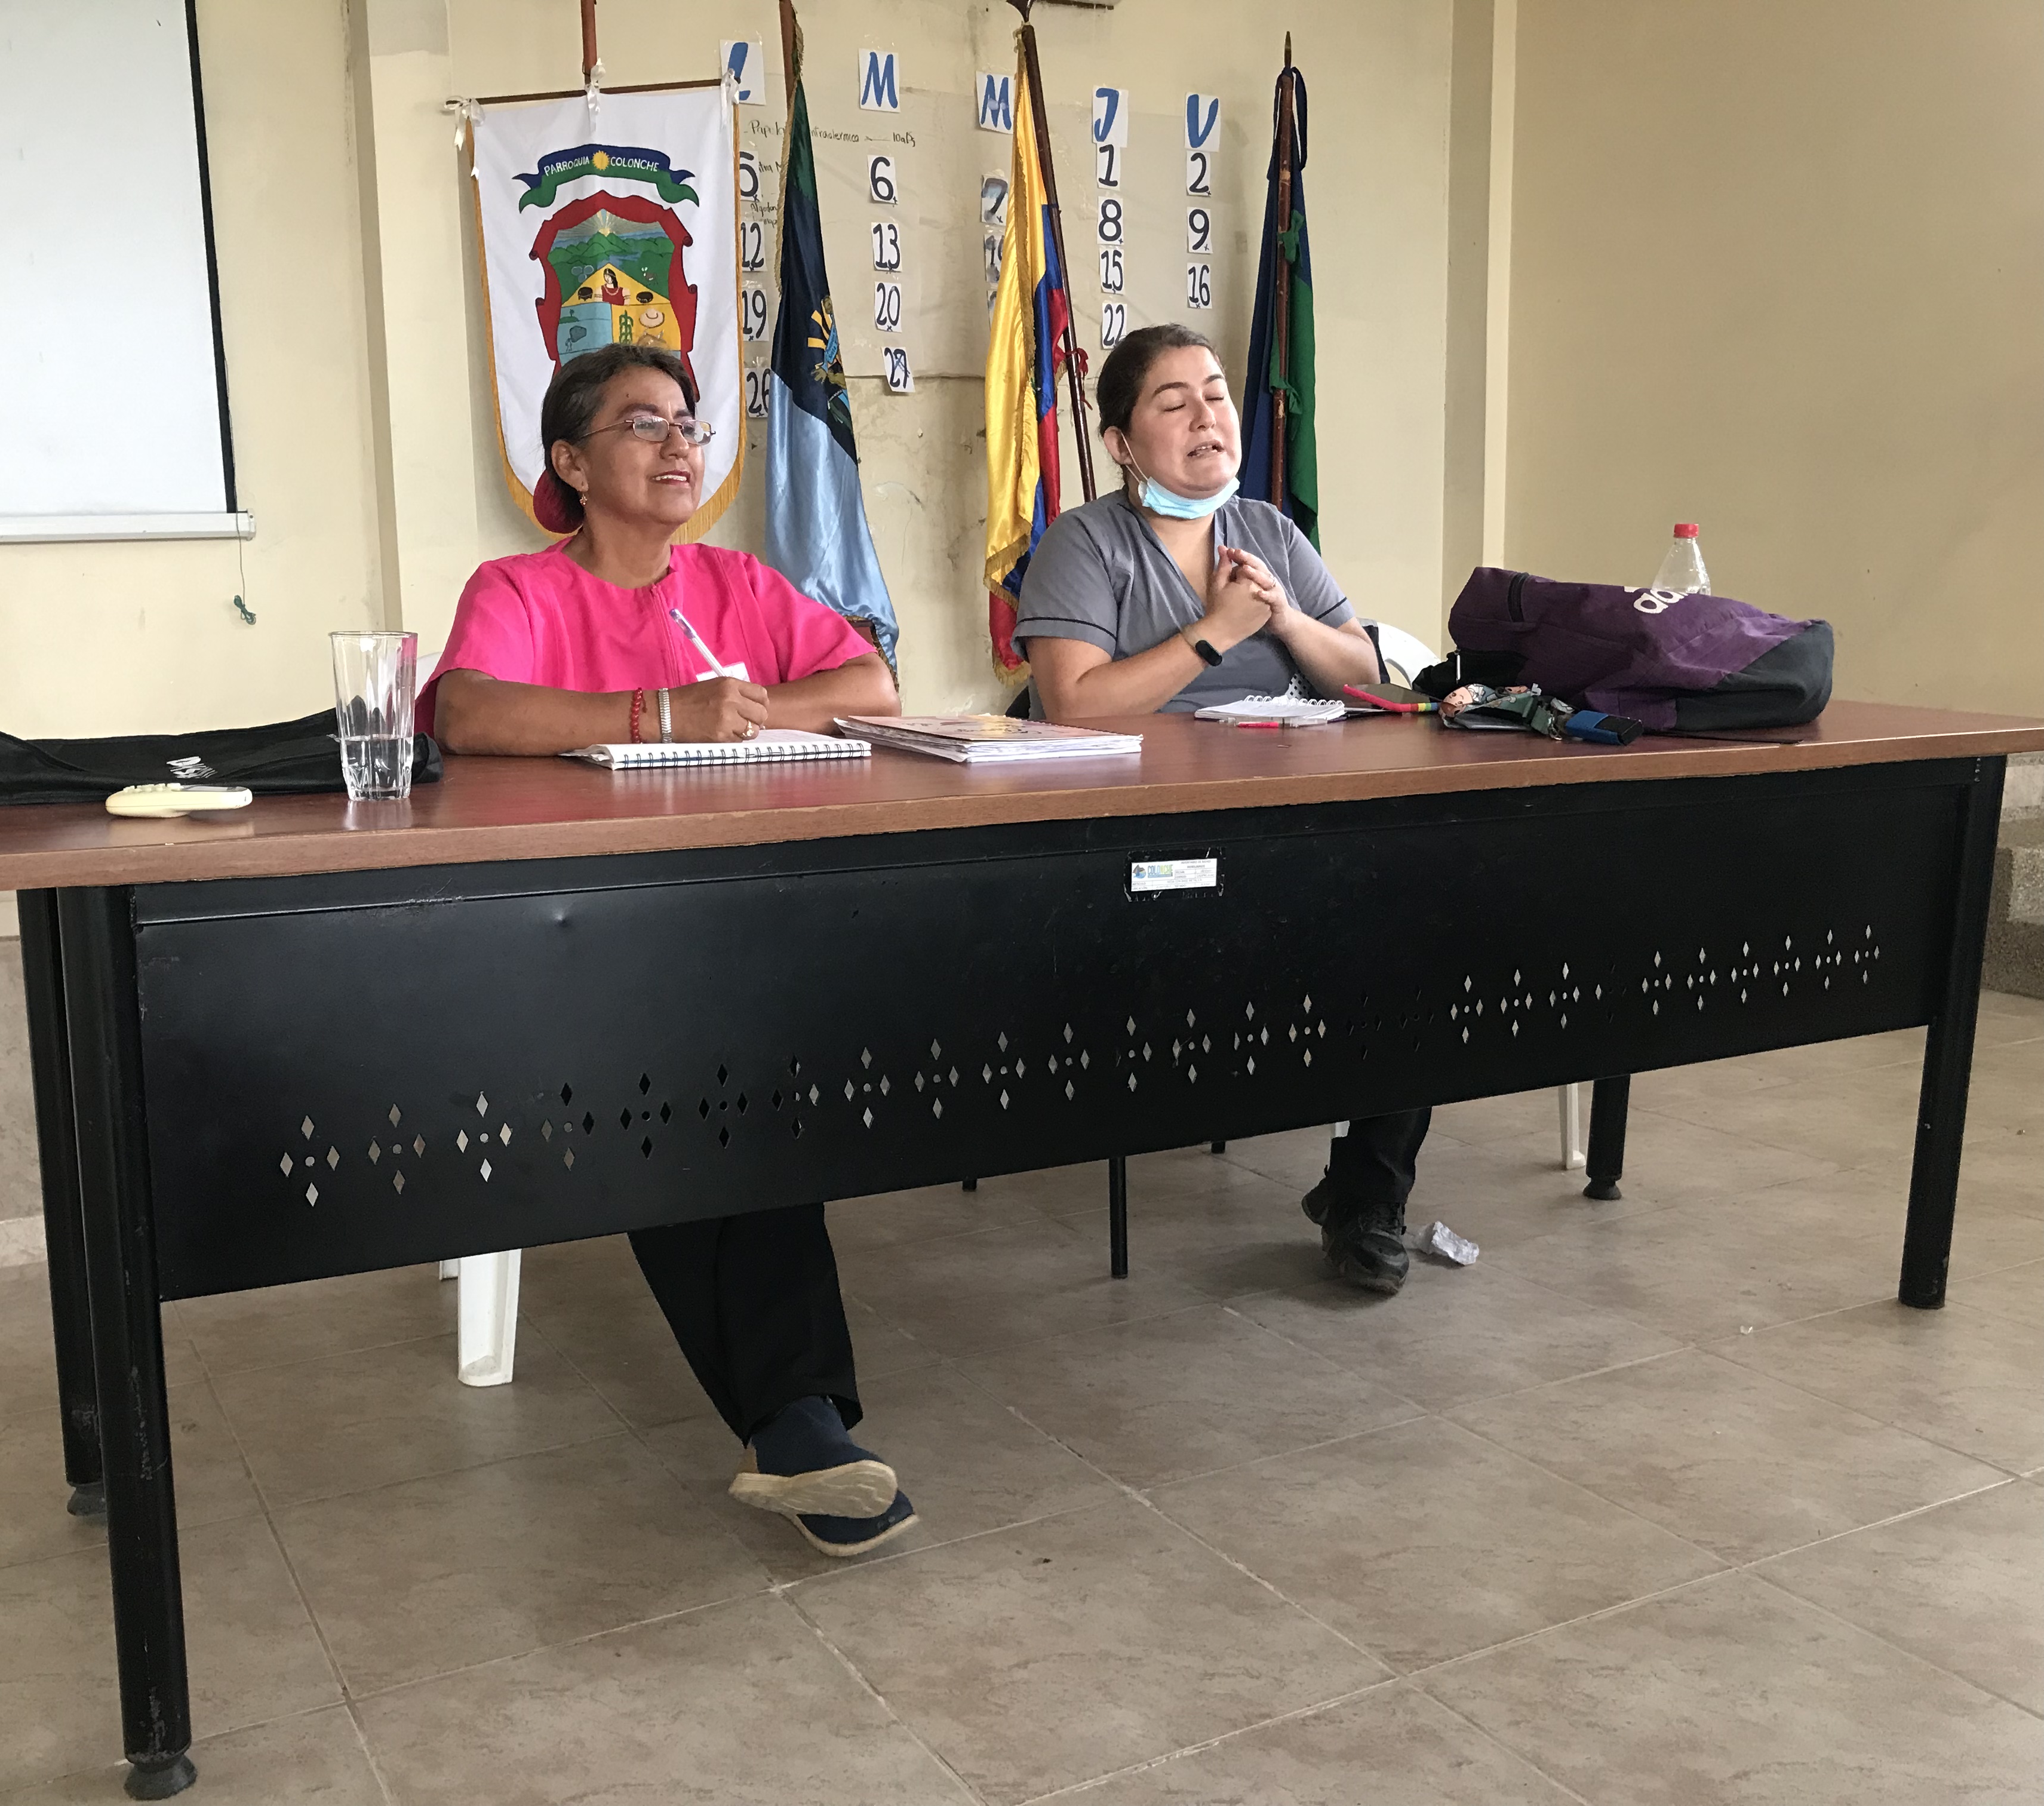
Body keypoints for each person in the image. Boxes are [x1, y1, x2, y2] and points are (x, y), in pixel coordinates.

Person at [427, 345, 915, 1552]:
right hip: (566, 945)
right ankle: (797, 1417)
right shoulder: (520, 590)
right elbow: (467, 711)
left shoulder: (736, 583)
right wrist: (656, 716)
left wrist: (741, 711)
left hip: (727, 937)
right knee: (685, 1079)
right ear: (570, 461)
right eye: (643, 424)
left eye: (688, 422)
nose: (681, 442)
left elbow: (874, 686)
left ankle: (797, 1421)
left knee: (739, 1075)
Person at [1014, 323, 1430, 1295]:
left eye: (1215, 395)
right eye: (1175, 402)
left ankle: (1367, 1193)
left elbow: (1366, 674)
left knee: (1413, 933)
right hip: (1147, 841)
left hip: (1294, 815)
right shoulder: (1086, 543)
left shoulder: (1269, 531)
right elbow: (1070, 704)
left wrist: (1284, 618)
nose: (1208, 416)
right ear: (1121, 443)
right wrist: (1216, 633)